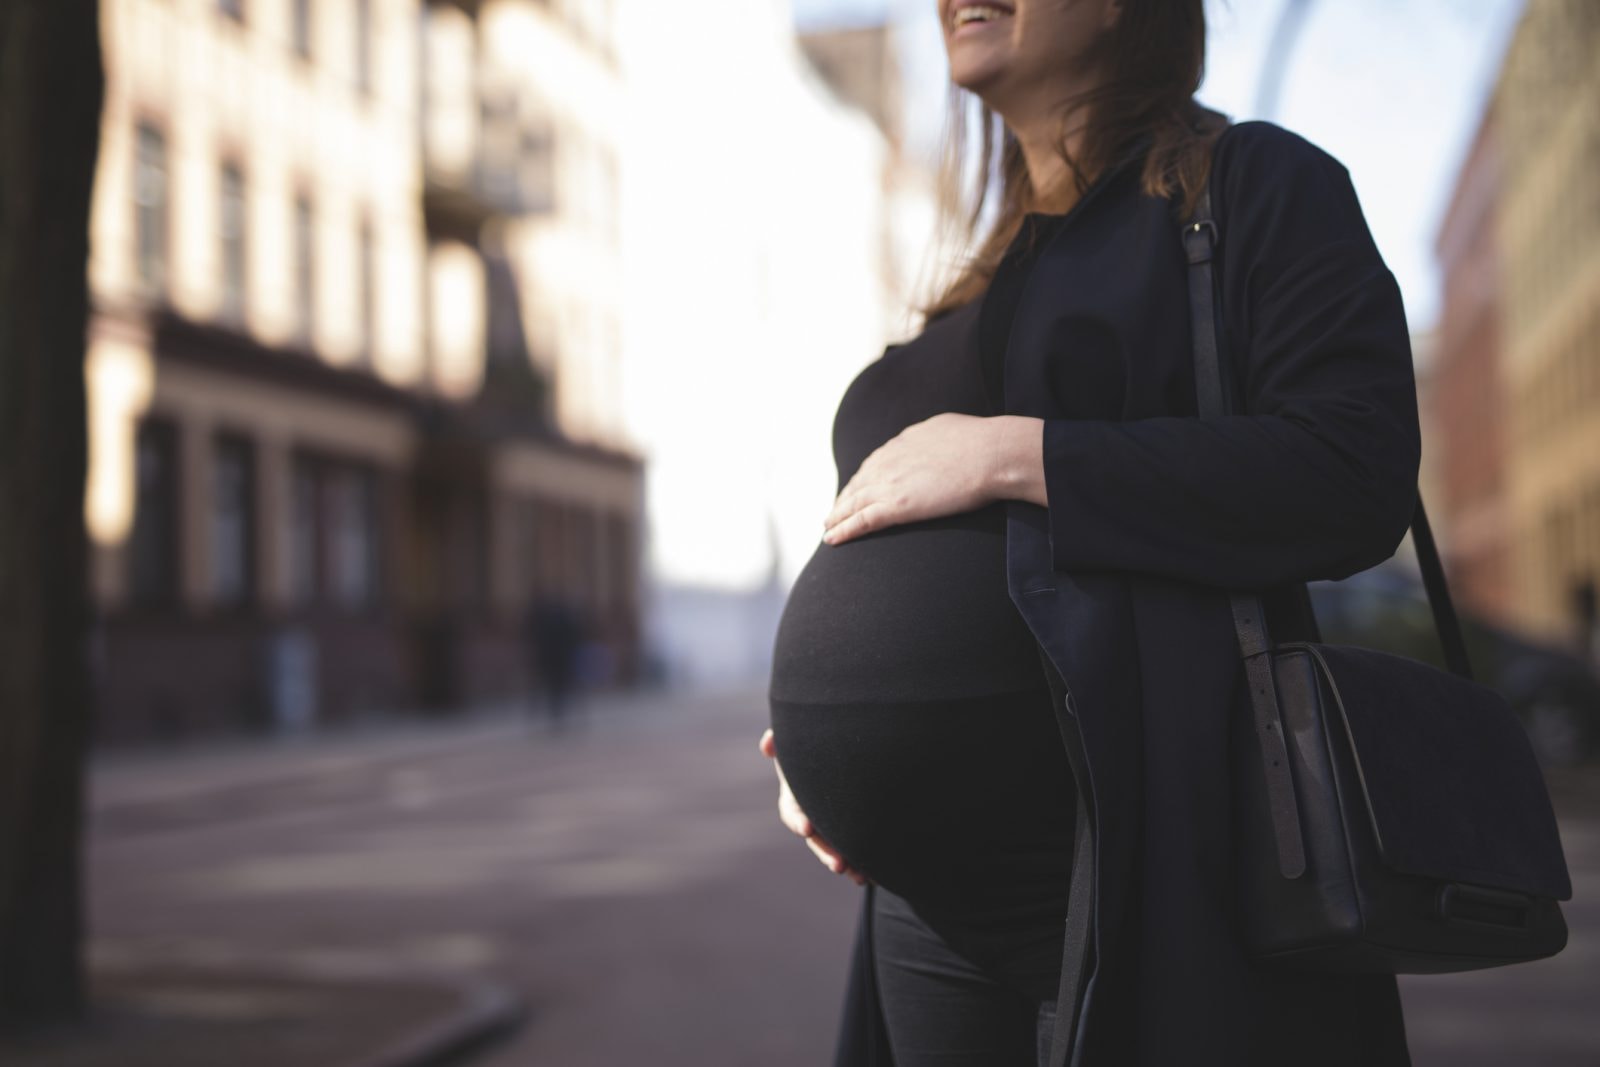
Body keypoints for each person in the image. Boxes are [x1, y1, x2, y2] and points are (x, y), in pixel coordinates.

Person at [760, 1, 1421, 1065]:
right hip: (928, 893)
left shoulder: (1255, 188)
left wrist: (1019, 455)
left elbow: (1355, 469)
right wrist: (816, 748)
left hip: (1155, 845)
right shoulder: (969, 281)